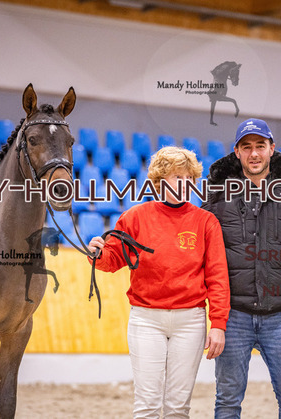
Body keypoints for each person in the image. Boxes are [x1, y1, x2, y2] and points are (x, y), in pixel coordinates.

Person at [88, 146, 230, 418]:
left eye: (189, 178)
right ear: (160, 180)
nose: (185, 184)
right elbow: (112, 260)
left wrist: (218, 324)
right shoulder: (134, 217)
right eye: (178, 177)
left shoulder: (206, 222)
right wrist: (97, 254)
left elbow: (217, 276)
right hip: (146, 320)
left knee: (178, 408)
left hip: (190, 322)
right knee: (147, 405)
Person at [202, 118, 281, 418]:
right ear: (237, 152)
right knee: (227, 400)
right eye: (246, 147)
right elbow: (194, 239)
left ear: (271, 148)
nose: (254, 153)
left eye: (260, 146)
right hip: (234, 316)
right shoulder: (217, 192)